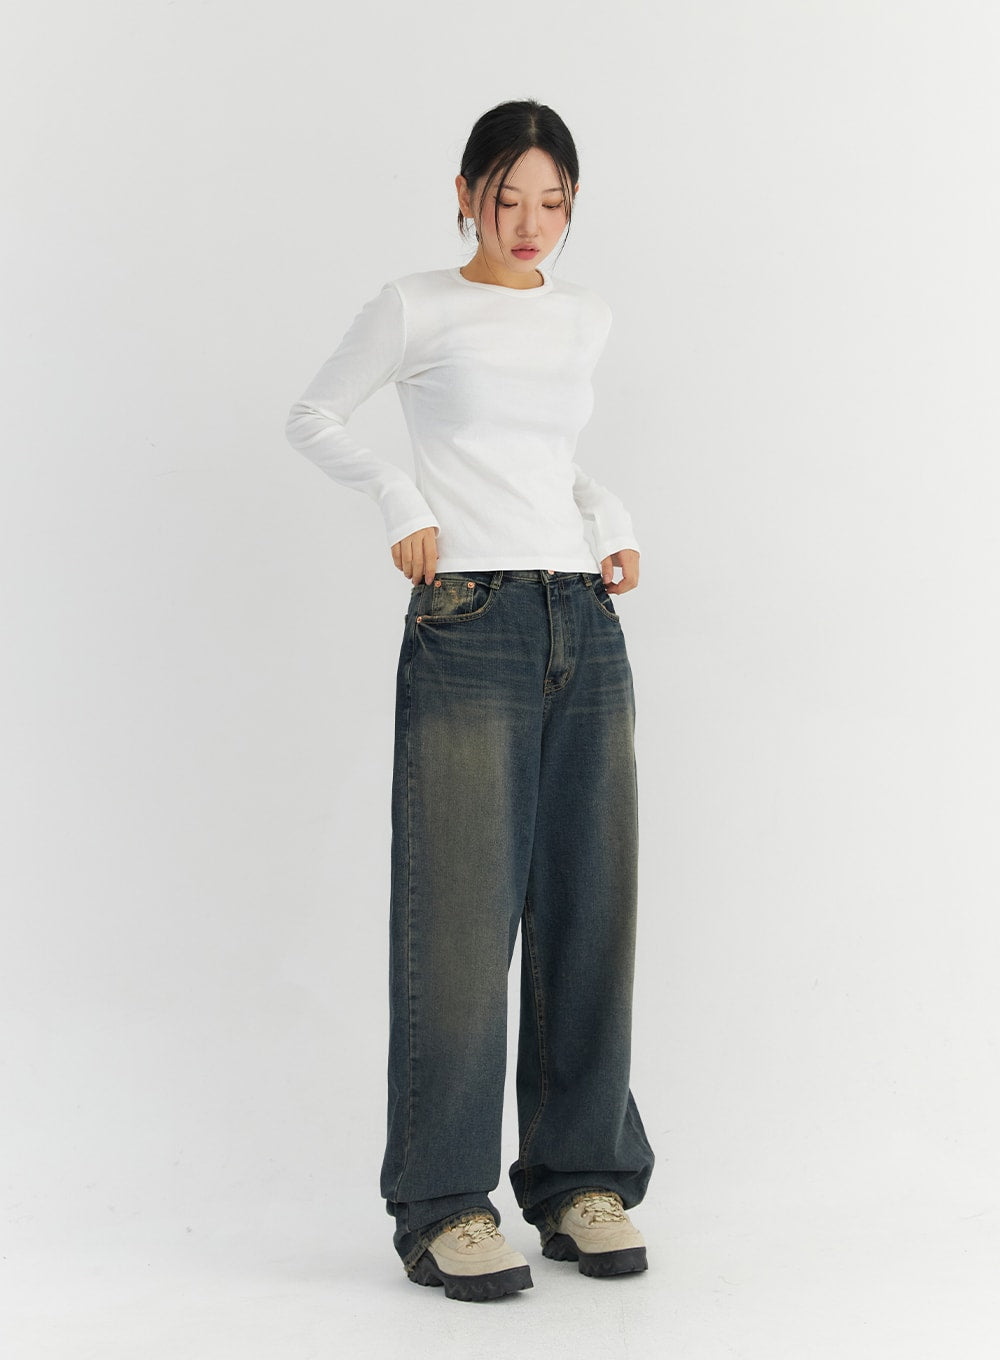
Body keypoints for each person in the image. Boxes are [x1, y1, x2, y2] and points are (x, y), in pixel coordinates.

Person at [285, 98, 655, 1303]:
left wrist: (608, 518)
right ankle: (444, 1202)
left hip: (582, 618)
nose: (529, 221)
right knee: (457, 920)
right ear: (465, 193)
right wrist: (401, 501)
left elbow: (543, 457)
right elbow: (312, 414)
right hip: (469, 620)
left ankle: (580, 1178)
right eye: (507, 198)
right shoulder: (416, 305)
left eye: (553, 201)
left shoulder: (585, 316)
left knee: (589, 905)